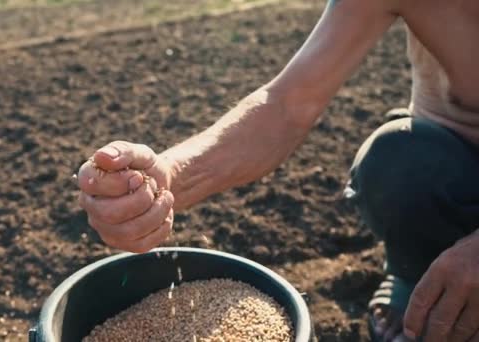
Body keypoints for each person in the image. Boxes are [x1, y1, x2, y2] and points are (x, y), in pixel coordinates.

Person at [76, 0, 479, 340]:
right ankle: (417, 268)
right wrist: (165, 180)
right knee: (400, 161)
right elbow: (287, 104)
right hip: (453, 165)